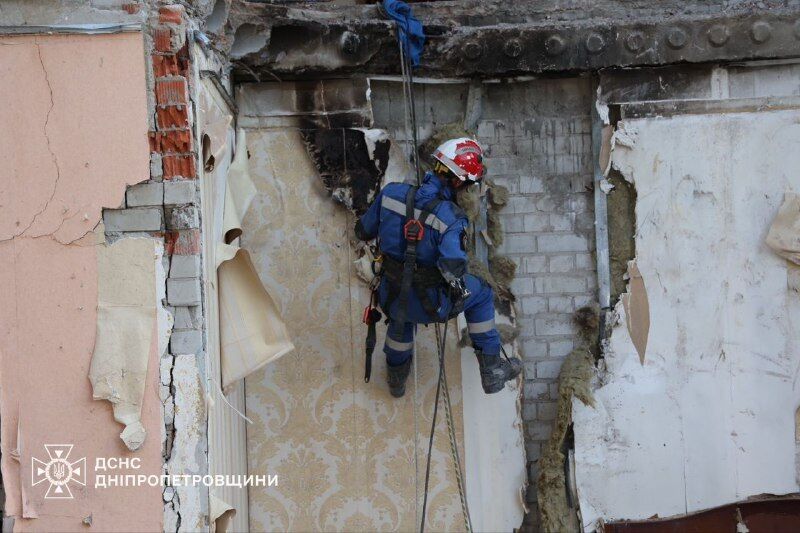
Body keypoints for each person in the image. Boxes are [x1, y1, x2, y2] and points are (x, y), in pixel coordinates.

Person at [355, 137, 522, 397]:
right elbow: (452, 268)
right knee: (483, 293)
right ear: (457, 182)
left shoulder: (390, 194)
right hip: (432, 305)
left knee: (401, 315)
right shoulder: (452, 219)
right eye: (468, 185)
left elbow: (363, 230)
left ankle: (396, 378)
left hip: (391, 295)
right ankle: (491, 369)